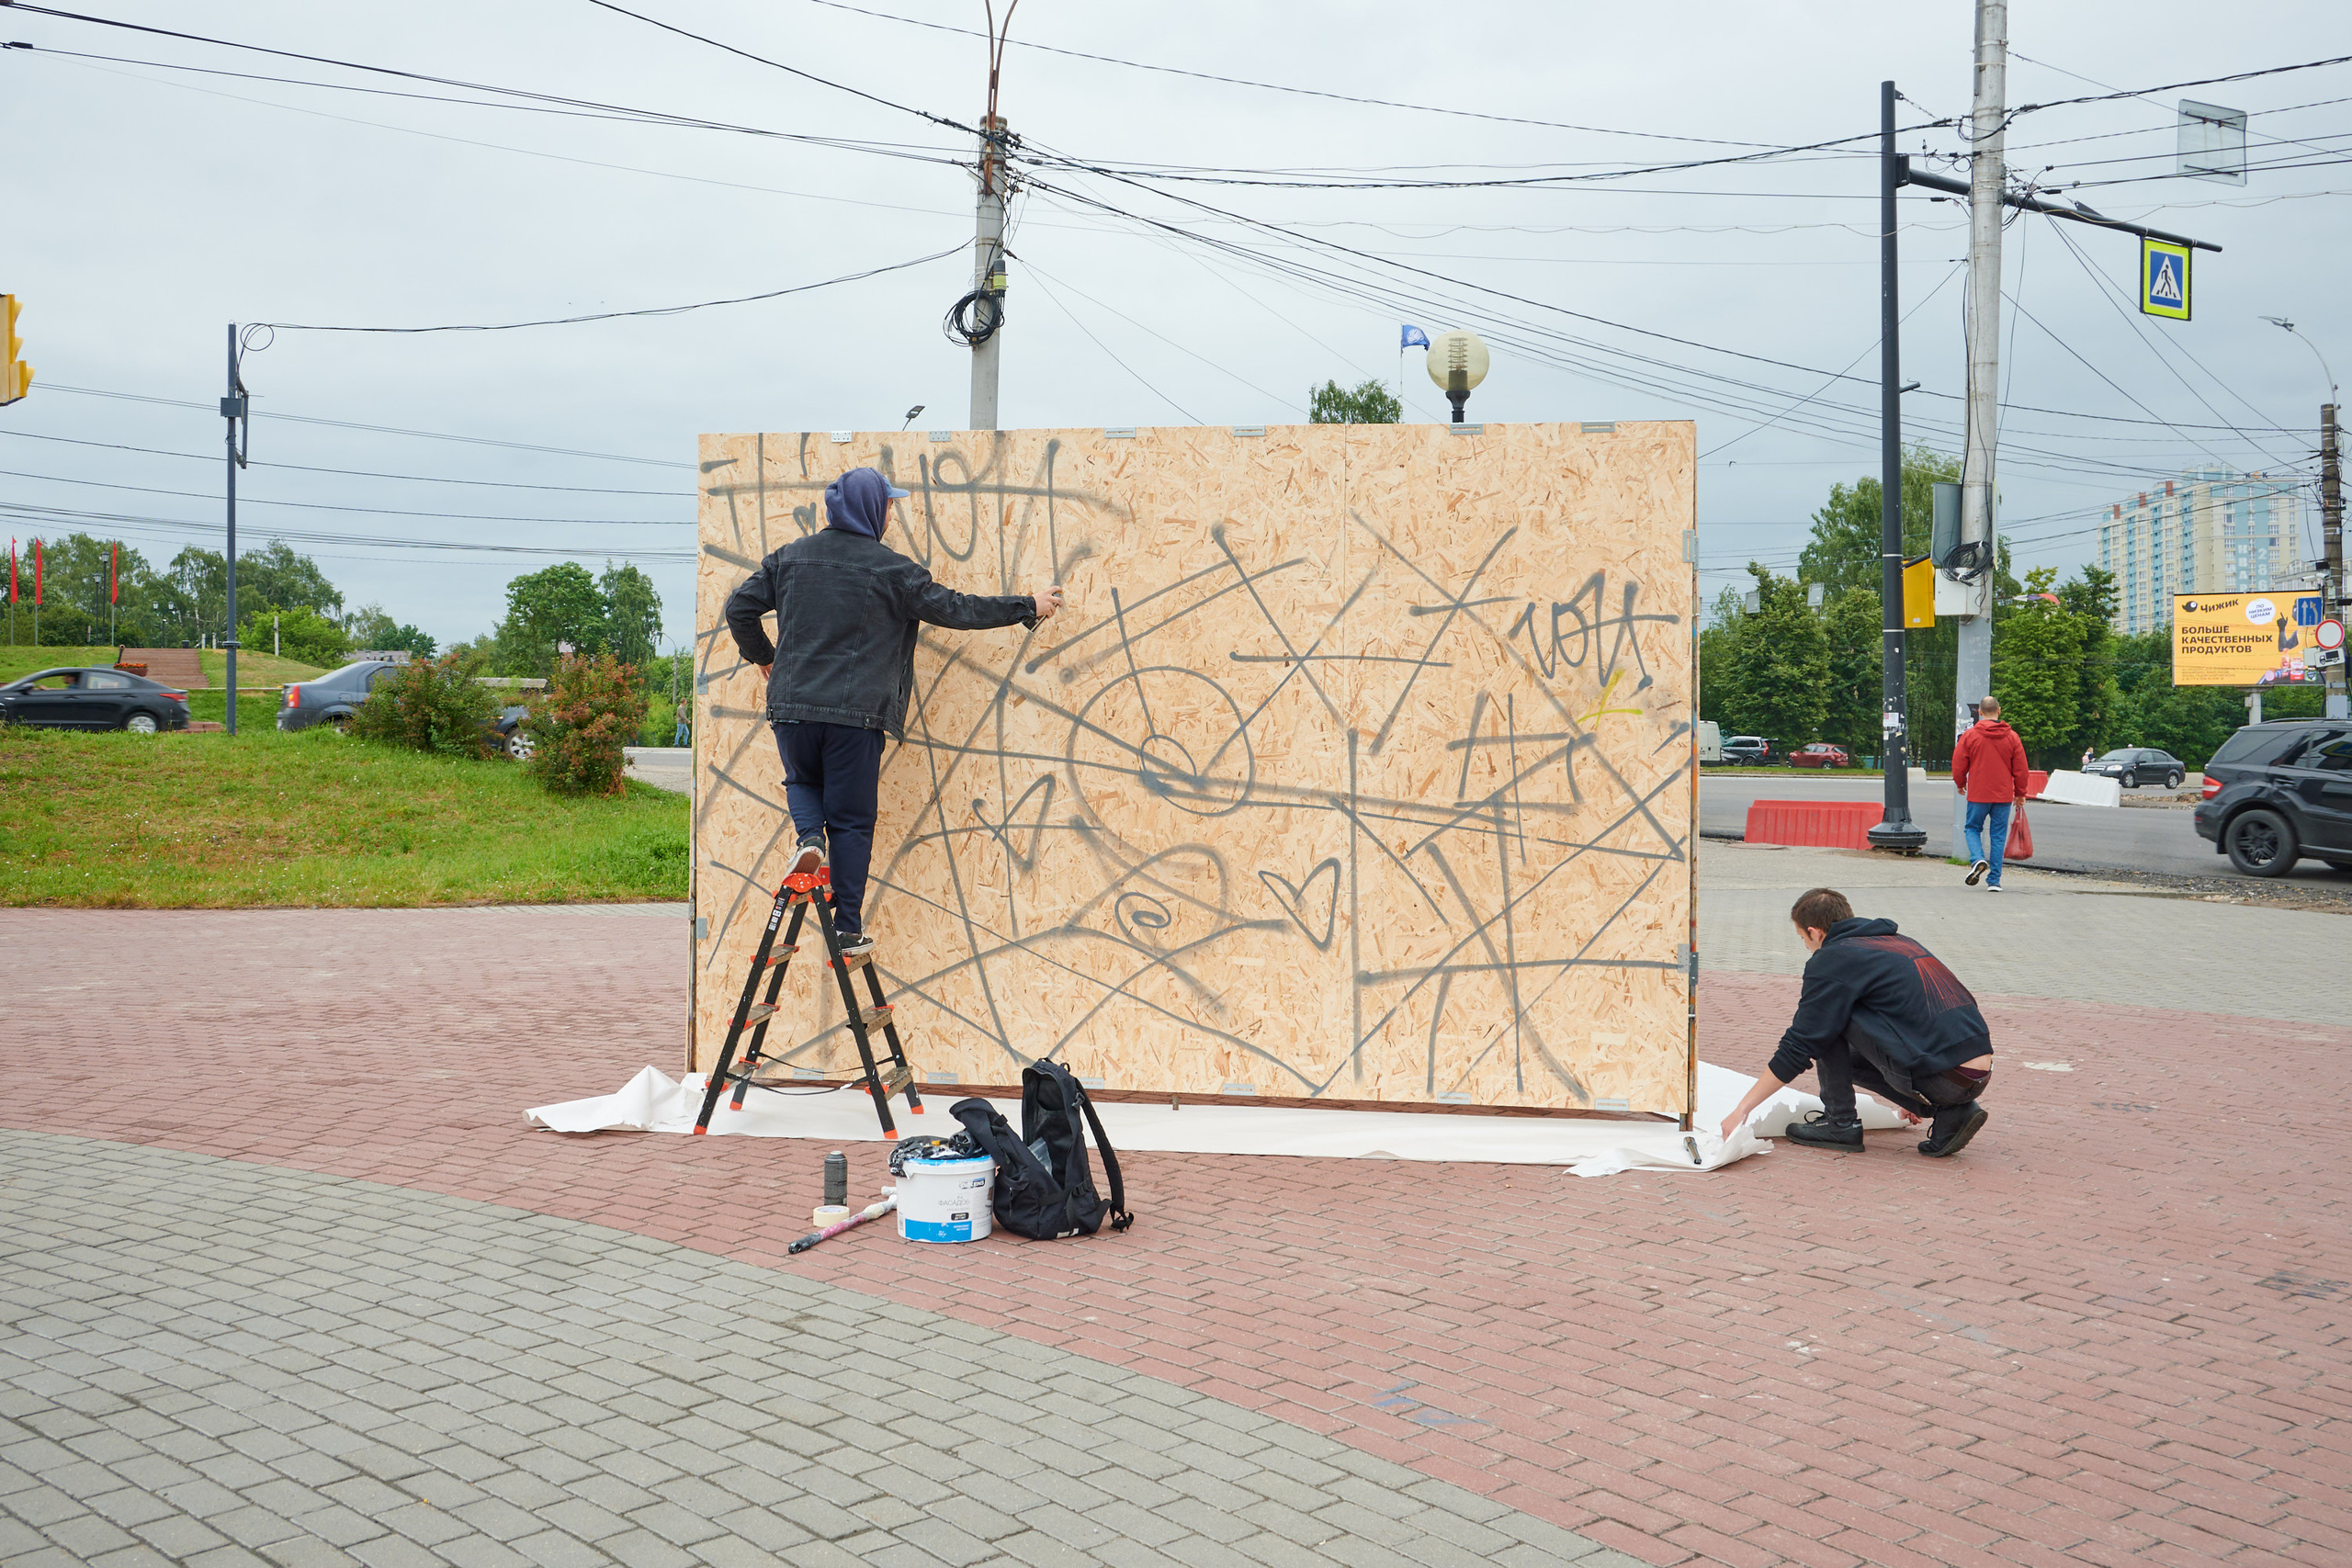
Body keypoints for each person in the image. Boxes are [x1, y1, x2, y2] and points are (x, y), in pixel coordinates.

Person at [723, 467, 1062, 958]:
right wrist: (1025, 604)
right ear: (872, 509)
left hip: (792, 709)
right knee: (853, 821)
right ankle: (847, 928)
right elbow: (958, 609)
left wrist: (764, 658)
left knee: (801, 783)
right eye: (887, 505)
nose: (889, 514)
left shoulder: (788, 560)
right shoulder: (894, 571)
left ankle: (808, 839)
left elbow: (739, 608)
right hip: (856, 717)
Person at [1719, 886, 1994, 1156]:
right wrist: (1909, 1095)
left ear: (1814, 932)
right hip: (1972, 1072)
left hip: (1945, 1077)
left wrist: (1742, 1109)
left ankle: (1840, 1124)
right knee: (1839, 1013)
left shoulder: (1833, 959)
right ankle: (1951, 1111)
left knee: (1826, 1023)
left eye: (1802, 937)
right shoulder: (1895, 942)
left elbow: (1800, 1043)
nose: (1805, 945)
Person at [1951, 694, 2029, 890]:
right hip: (2003, 795)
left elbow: (1959, 763)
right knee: (1998, 835)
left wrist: (1960, 783)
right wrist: (2020, 793)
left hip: (1978, 793)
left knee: (1972, 828)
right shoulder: (2012, 736)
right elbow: (2021, 768)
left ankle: (1977, 859)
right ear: (1999, 711)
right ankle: (1994, 881)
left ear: (1980, 712)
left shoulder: (1970, 735)